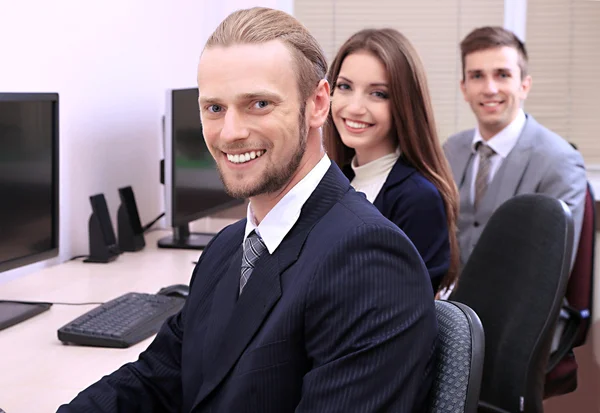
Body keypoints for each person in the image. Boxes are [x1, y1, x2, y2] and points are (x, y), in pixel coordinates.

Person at [58, 7, 437, 413]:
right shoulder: (227, 248)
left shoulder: (369, 259)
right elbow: (156, 378)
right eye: (214, 108)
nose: (231, 132)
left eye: (258, 104)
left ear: (317, 104)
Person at [324, 28, 459, 294]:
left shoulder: (418, 199)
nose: (354, 107)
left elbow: (403, 314)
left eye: (378, 94)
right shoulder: (336, 181)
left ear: (404, 104)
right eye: (345, 87)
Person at [444, 26, 586, 269]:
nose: (489, 89)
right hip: (448, 303)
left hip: (524, 304)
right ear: (464, 88)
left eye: (502, 75)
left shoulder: (560, 161)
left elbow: (549, 269)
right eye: (477, 76)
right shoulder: (449, 151)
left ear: (524, 85)